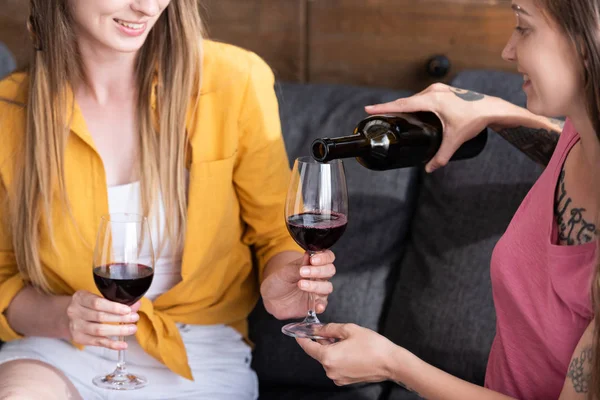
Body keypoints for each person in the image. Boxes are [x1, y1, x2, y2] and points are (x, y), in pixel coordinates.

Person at [0, 1, 337, 399]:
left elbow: (275, 234)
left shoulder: (234, 80)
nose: (146, 6)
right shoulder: (10, 111)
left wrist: (282, 280)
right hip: (60, 351)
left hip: (198, 357)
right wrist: (66, 318)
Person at [297, 0, 600, 398]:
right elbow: (563, 145)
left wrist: (393, 364)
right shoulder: (579, 136)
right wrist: (494, 111)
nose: (508, 50)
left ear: (587, 41)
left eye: (523, 28)